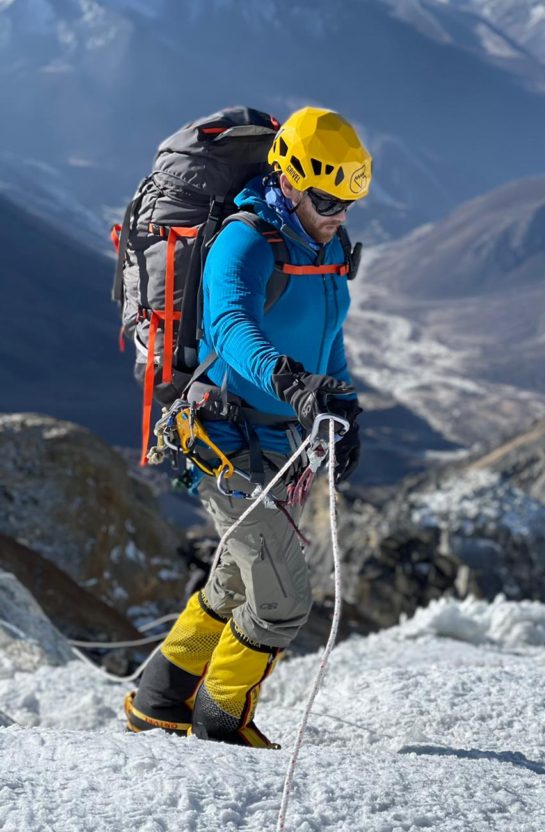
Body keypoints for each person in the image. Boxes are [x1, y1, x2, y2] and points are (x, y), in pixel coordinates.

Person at [125, 106, 372, 747]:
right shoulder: (244, 239)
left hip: (280, 442)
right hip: (221, 438)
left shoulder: (326, 243)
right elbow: (232, 329)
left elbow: (329, 333)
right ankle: (220, 723)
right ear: (288, 178)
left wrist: (338, 401)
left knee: (236, 580)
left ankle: (158, 700)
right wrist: (295, 384)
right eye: (324, 199)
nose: (336, 215)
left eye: (347, 201)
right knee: (284, 595)